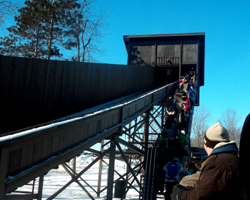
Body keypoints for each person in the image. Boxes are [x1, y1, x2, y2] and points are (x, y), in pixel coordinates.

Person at [171, 122, 240, 200]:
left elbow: (200, 196)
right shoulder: (230, 159)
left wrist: (179, 195)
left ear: (206, 144)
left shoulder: (218, 164)